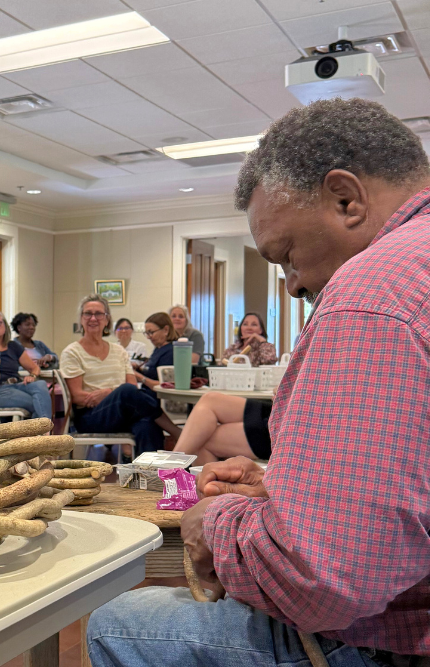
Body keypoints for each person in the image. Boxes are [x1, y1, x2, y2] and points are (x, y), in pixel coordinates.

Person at [87, 99, 430, 664]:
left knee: (115, 623)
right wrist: (290, 482)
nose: (292, 286)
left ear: (346, 199)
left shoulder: (371, 294)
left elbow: (323, 581)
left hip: (394, 639)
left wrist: (217, 523)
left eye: (288, 256)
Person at [61, 296, 180, 457]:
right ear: (81, 319)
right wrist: (113, 395)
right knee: (125, 392)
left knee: (147, 424)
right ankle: (174, 430)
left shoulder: (119, 351)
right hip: (92, 417)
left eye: (99, 314)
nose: (93, 318)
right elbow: (77, 396)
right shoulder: (72, 352)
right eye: (88, 314)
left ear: (107, 319)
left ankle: (151, 478)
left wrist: (109, 392)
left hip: (123, 413)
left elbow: (131, 386)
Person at [173, 393, 271, 466]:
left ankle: (171, 467)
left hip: (282, 427)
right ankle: (172, 464)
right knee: (209, 399)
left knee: (200, 439)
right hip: (277, 408)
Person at [132, 312, 176, 398]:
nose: (148, 337)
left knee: (125, 391)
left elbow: (166, 386)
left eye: (151, 332)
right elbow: (152, 373)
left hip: (155, 399)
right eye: (147, 333)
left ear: (165, 330)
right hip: (147, 394)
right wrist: (137, 369)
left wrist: (139, 377)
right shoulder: (158, 349)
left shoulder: (170, 352)